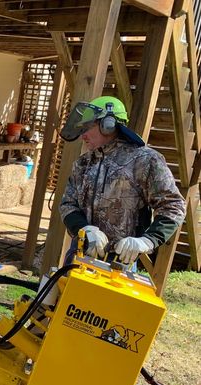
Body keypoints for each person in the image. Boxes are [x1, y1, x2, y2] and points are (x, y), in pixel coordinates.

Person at [58, 96, 185, 265]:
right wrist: (83, 229)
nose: (84, 135)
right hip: (80, 253)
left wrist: (148, 241)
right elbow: (67, 204)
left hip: (120, 262)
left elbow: (173, 205)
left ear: (108, 125)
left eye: (88, 127)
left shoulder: (146, 161)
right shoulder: (82, 164)